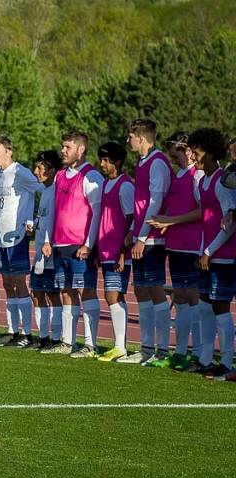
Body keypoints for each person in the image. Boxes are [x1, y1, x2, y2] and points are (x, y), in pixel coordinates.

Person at [147, 131, 203, 369]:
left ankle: (200, 354)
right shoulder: (178, 174)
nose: (174, 161)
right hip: (175, 245)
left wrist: (171, 221)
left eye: (176, 155)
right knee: (179, 296)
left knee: (194, 297)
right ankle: (180, 352)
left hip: (193, 245)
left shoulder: (197, 176)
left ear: (188, 150)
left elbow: (203, 211)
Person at [44, 131, 104, 357]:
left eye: (68, 147)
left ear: (80, 149)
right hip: (60, 244)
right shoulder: (59, 175)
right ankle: (67, 342)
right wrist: (49, 239)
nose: (63, 151)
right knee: (66, 291)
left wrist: (89, 244)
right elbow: (54, 211)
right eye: (63, 147)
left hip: (80, 245)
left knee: (85, 290)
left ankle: (90, 343)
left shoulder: (91, 176)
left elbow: (97, 213)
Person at [187, 128, 236, 380]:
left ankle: (226, 362)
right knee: (205, 306)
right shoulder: (203, 180)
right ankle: (206, 358)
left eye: (197, 150)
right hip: (207, 254)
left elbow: (230, 224)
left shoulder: (222, 181)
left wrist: (208, 251)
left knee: (220, 307)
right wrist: (202, 251)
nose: (193, 155)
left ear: (209, 152)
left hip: (222, 255)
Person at [124, 118, 173, 365]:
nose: (128, 140)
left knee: (154, 290)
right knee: (141, 290)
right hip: (141, 236)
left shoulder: (158, 163)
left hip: (153, 239)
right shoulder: (143, 162)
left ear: (141, 138)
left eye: (130, 136)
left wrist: (142, 237)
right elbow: (141, 204)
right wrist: (133, 231)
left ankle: (162, 350)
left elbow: (155, 202)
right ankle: (145, 348)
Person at [0, 135, 40, 347]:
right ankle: (12, 330)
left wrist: (33, 221)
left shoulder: (21, 172)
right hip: (1, 238)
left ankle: (26, 334)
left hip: (17, 237)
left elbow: (43, 191)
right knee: (7, 283)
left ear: (9, 152)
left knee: (19, 283)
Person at [94, 142, 134, 362]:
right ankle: (119, 345)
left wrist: (121, 252)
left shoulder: (125, 186)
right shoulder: (106, 185)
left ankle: (121, 346)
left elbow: (131, 219)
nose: (103, 164)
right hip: (107, 250)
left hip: (119, 252)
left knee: (114, 295)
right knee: (110, 296)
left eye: (107, 160)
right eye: (101, 159)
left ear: (117, 162)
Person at [31, 150, 65, 351]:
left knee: (52, 294)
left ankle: (56, 338)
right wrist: (34, 224)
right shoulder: (44, 190)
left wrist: (49, 242)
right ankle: (43, 338)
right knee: (37, 293)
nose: (36, 171)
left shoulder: (56, 190)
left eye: (40, 168)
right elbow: (45, 218)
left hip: (50, 251)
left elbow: (56, 221)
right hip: (39, 251)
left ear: (52, 170)